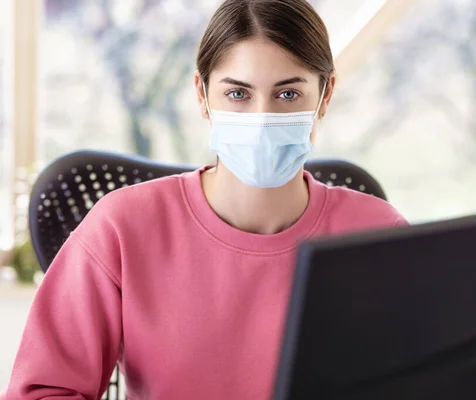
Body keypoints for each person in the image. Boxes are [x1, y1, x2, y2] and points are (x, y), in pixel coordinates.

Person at [1, 0, 407, 398]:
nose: (261, 118)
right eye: (237, 94)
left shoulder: (380, 236)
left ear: (325, 94)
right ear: (202, 93)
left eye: (287, 95)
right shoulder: (122, 227)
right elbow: (40, 391)